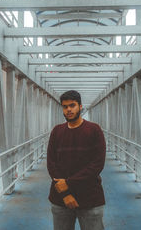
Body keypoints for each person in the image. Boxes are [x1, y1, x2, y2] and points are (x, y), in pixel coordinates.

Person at [47, 90, 106, 230]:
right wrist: (66, 194)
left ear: (80, 106)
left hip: (89, 198)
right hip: (61, 199)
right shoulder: (57, 131)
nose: (68, 110)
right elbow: (51, 163)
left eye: (72, 105)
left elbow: (97, 164)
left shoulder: (94, 130)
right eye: (65, 106)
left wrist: (67, 184)